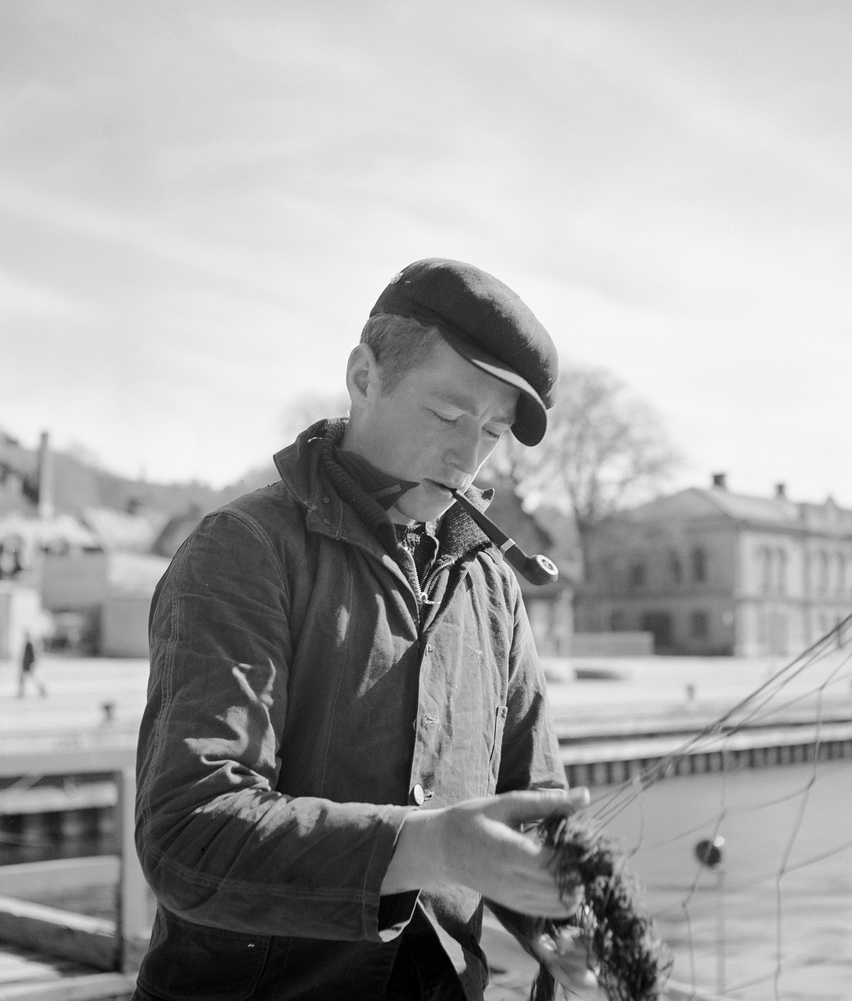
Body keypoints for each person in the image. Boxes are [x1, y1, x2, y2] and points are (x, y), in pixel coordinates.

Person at [132, 258, 600, 1000]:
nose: (466, 454)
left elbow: (533, 806)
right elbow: (190, 834)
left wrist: (566, 935)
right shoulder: (241, 549)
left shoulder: (492, 587)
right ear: (363, 377)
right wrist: (430, 846)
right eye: (448, 415)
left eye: (492, 431)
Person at [17, 631, 46, 697]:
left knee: (34, 679)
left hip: (28, 665)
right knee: (23, 679)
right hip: (26, 664)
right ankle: (21, 692)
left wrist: (32, 663)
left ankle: (42, 690)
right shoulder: (28, 644)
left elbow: (32, 655)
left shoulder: (29, 644)